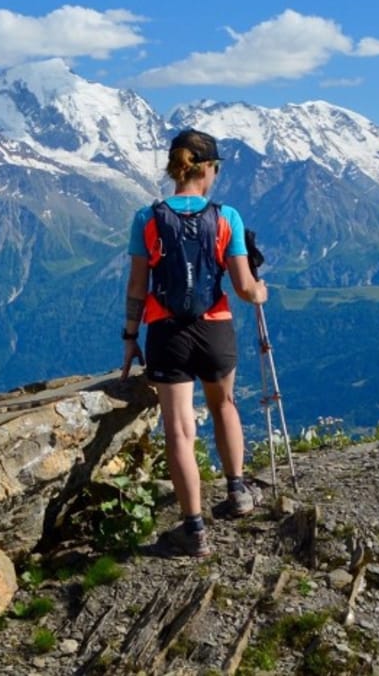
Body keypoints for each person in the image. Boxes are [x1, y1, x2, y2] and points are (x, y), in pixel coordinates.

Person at [120, 128, 268, 557]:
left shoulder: (147, 219)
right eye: (216, 169)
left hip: (167, 332)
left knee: (181, 430)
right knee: (224, 405)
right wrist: (260, 292)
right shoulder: (227, 218)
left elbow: (136, 284)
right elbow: (243, 287)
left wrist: (131, 337)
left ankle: (194, 529)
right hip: (215, 327)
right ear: (207, 168)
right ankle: (238, 491)